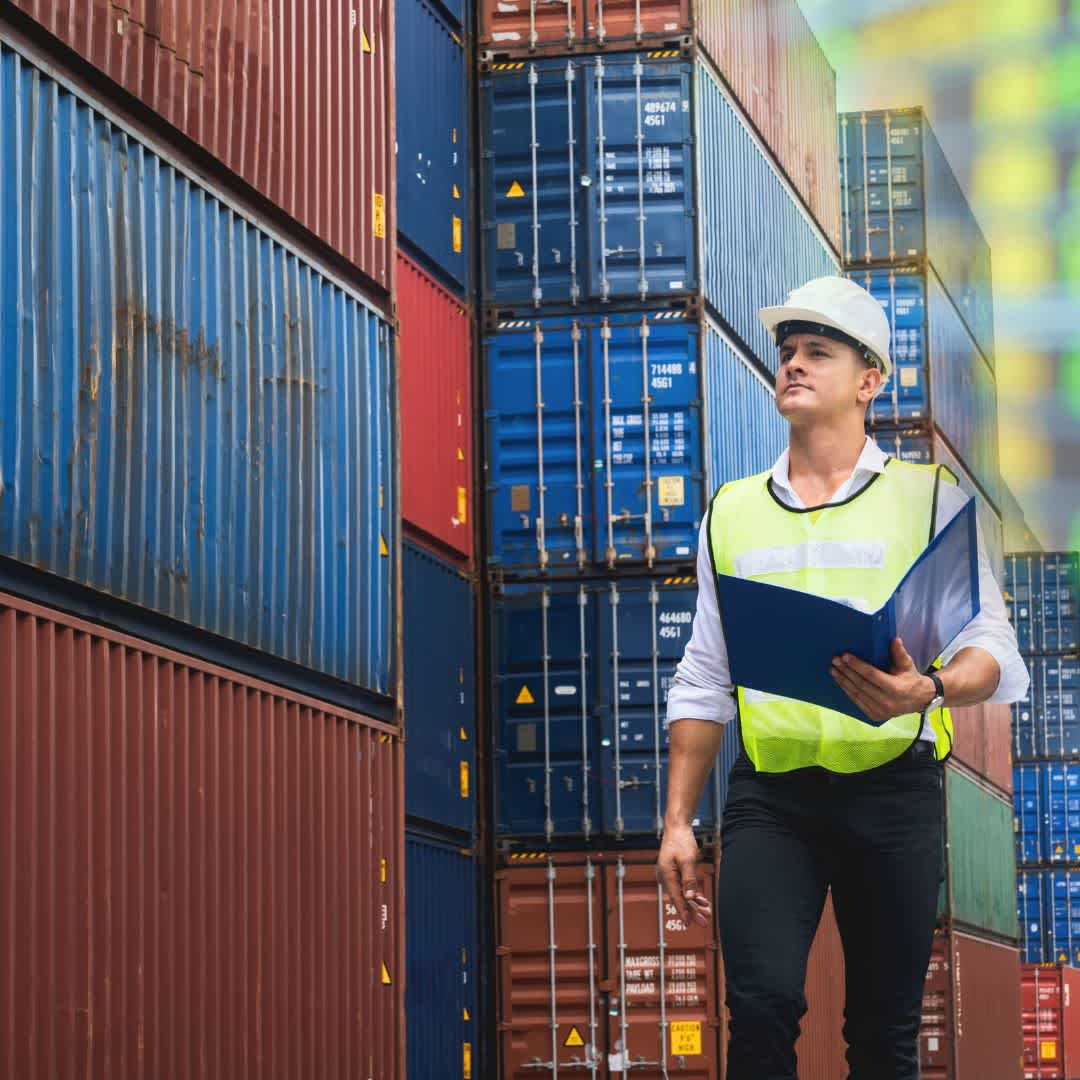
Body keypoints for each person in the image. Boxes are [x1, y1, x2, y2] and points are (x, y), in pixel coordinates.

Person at [656, 276, 1029, 1080]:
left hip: (893, 794)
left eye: (816, 352)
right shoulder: (731, 511)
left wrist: (927, 689)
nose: (791, 364)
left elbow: (997, 650)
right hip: (774, 796)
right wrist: (678, 820)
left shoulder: (930, 500)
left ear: (869, 381)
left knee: (884, 1034)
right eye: (786, 352)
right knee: (757, 1009)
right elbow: (703, 677)